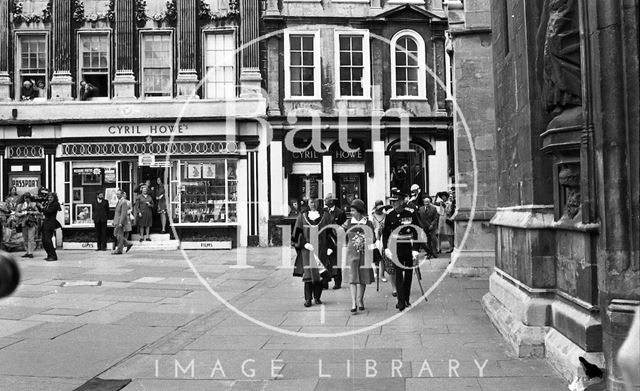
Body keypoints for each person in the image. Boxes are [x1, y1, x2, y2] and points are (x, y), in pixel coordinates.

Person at [383, 188, 421, 311]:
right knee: (398, 274)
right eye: (392, 201)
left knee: (408, 274)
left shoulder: (410, 212)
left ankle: (406, 298)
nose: (393, 203)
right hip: (395, 248)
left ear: (402, 201)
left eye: (396, 201)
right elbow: (386, 233)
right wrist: (385, 248)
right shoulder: (390, 214)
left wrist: (415, 249)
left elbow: (417, 231)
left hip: (408, 247)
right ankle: (400, 301)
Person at [292, 198, 328, 307]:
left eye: (316, 201)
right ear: (308, 202)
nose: (314, 204)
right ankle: (308, 299)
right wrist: (303, 244)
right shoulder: (302, 216)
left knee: (319, 274)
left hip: (321, 249)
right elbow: (297, 233)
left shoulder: (325, 216)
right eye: (311, 202)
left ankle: (317, 297)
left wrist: (330, 247)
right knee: (308, 275)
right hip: (307, 251)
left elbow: (331, 231)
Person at [342, 199, 376, 313]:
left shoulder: (368, 223)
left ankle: (360, 300)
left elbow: (373, 238)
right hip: (351, 253)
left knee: (363, 277)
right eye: (351, 210)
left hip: (364, 253)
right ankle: (353, 303)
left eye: (353, 210)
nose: (351, 212)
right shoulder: (348, 223)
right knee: (352, 278)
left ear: (359, 211)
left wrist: (366, 240)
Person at [322, 193, 347, 290]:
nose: (324, 201)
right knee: (325, 261)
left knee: (336, 261)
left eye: (326, 199)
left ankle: (337, 282)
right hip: (324, 240)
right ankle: (325, 282)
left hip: (336, 241)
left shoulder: (340, 213)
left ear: (331, 200)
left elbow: (343, 228)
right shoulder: (323, 211)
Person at [15, 193, 41, 258]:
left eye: (28, 197)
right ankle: (27, 252)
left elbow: (38, 212)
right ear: (23, 198)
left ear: (30, 198)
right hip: (23, 223)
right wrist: (22, 214)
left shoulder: (33, 204)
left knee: (31, 238)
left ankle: (30, 252)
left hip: (31, 223)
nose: (26, 199)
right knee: (25, 238)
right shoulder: (20, 205)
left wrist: (31, 212)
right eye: (25, 197)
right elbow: (16, 213)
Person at [41, 192, 61, 262]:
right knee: (44, 240)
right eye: (49, 197)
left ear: (54, 198)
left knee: (48, 240)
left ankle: (53, 255)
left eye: (51, 197)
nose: (49, 198)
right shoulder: (48, 204)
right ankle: (49, 254)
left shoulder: (55, 204)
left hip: (50, 223)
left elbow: (48, 212)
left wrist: (42, 208)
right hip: (46, 223)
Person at [112, 190, 133, 255]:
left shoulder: (123, 202)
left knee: (119, 235)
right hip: (116, 220)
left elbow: (123, 213)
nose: (117, 195)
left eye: (118, 194)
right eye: (117, 194)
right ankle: (128, 243)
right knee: (116, 234)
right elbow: (117, 212)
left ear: (122, 194)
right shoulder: (119, 201)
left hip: (120, 221)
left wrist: (121, 222)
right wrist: (114, 220)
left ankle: (119, 250)